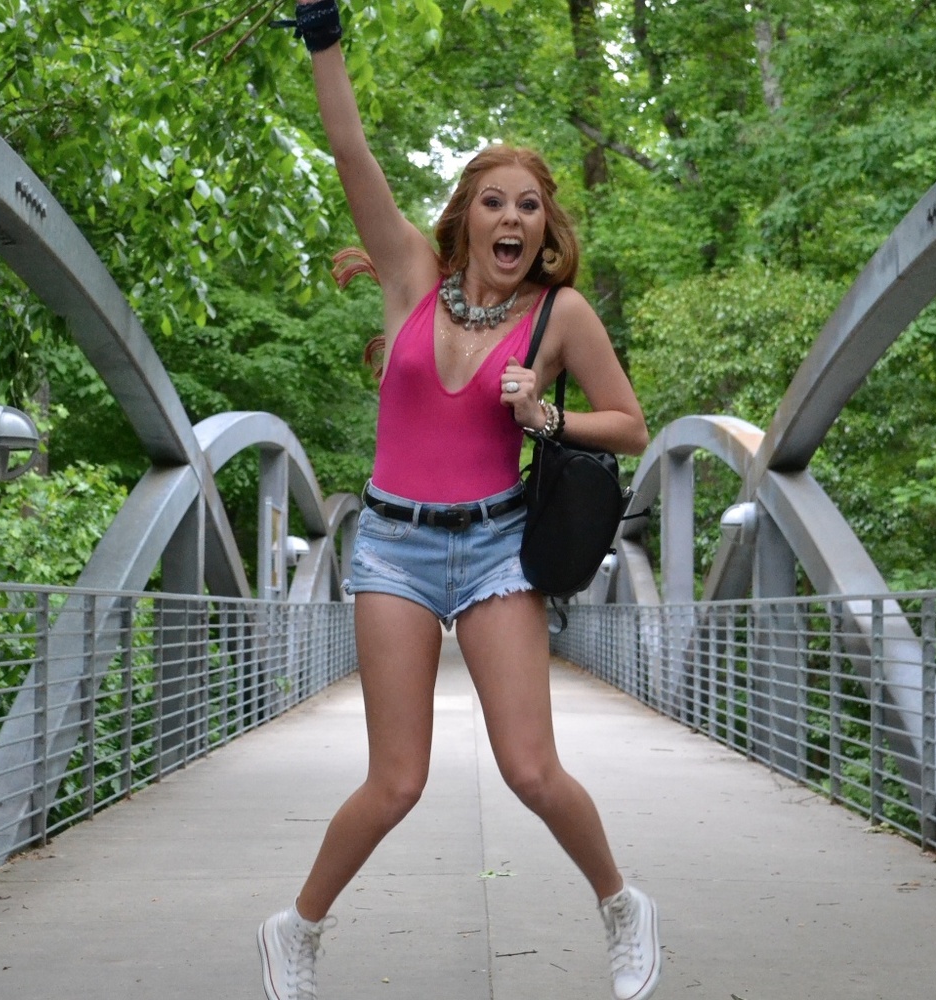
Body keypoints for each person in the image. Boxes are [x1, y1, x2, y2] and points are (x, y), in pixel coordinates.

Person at [256, 4, 660, 1000]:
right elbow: (348, 148)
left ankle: (620, 904)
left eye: (530, 205)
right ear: (465, 216)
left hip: (493, 552)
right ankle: (295, 929)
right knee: (397, 780)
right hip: (391, 547)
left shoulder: (559, 315)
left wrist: (546, 420)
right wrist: (323, 37)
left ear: (545, 226)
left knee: (530, 769)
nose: (513, 220)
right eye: (494, 203)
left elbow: (631, 425)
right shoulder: (408, 279)